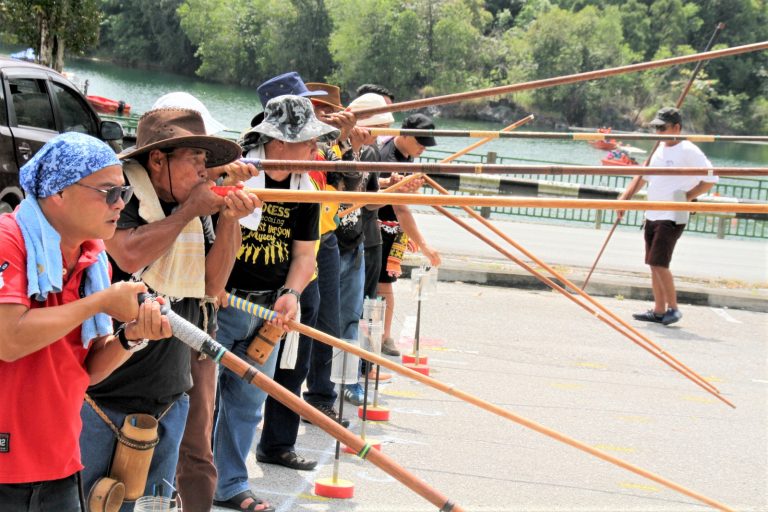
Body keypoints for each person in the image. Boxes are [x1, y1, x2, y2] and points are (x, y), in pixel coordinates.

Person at [80, 108, 258, 511]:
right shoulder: (122, 194)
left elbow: (212, 286)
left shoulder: (192, 206)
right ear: (158, 159)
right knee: (89, 499)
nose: (204, 170)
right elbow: (127, 254)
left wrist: (230, 219)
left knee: (154, 502)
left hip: (169, 391)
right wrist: (189, 210)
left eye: (205, 160)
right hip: (105, 392)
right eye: (194, 158)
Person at [0, 132, 169, 511]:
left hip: (60, 461)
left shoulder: (93, 259)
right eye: (109, 192)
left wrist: (131, 337)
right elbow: (8, 340)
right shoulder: (8, 240)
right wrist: (101, 302)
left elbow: (86, 370)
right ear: (59, 192)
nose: (120, 204)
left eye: (124, 193)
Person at [212, 94, 339, 512]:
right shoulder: (236, 175)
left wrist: (291, 293)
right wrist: (214, 286)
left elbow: (304, 255)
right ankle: (189, 481)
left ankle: (230, 484)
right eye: (309, 143)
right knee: (200, 400)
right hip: (221, 304)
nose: (316, 151)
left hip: (267, 312)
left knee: (248, 403)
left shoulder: (307, 187)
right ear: (280, 141)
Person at [619, 107, 717, 326]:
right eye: (656, 128)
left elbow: (711, 178)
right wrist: (625, 197)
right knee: (653, 263)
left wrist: (687, 197)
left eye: (663, 128)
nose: (659, 132)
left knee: (659, 263)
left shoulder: (688, 150)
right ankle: (659, 310)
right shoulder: (659, 149)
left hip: (673, 214)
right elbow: (643, 176)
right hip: (653, 213)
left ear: (677, 128)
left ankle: (673, 308)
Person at [375, 114, 442, 362]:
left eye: (426, 143)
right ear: (405, 134)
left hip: (393, 228)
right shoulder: (387, 158)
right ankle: (380, 337)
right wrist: (424, 245)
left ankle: (382, 336)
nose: (423, 148)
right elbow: (401, 208)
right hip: (378, 228)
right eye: (420, 142)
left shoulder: (407, 155)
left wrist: (406, 233)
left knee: (384, 285)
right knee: (381, 286)